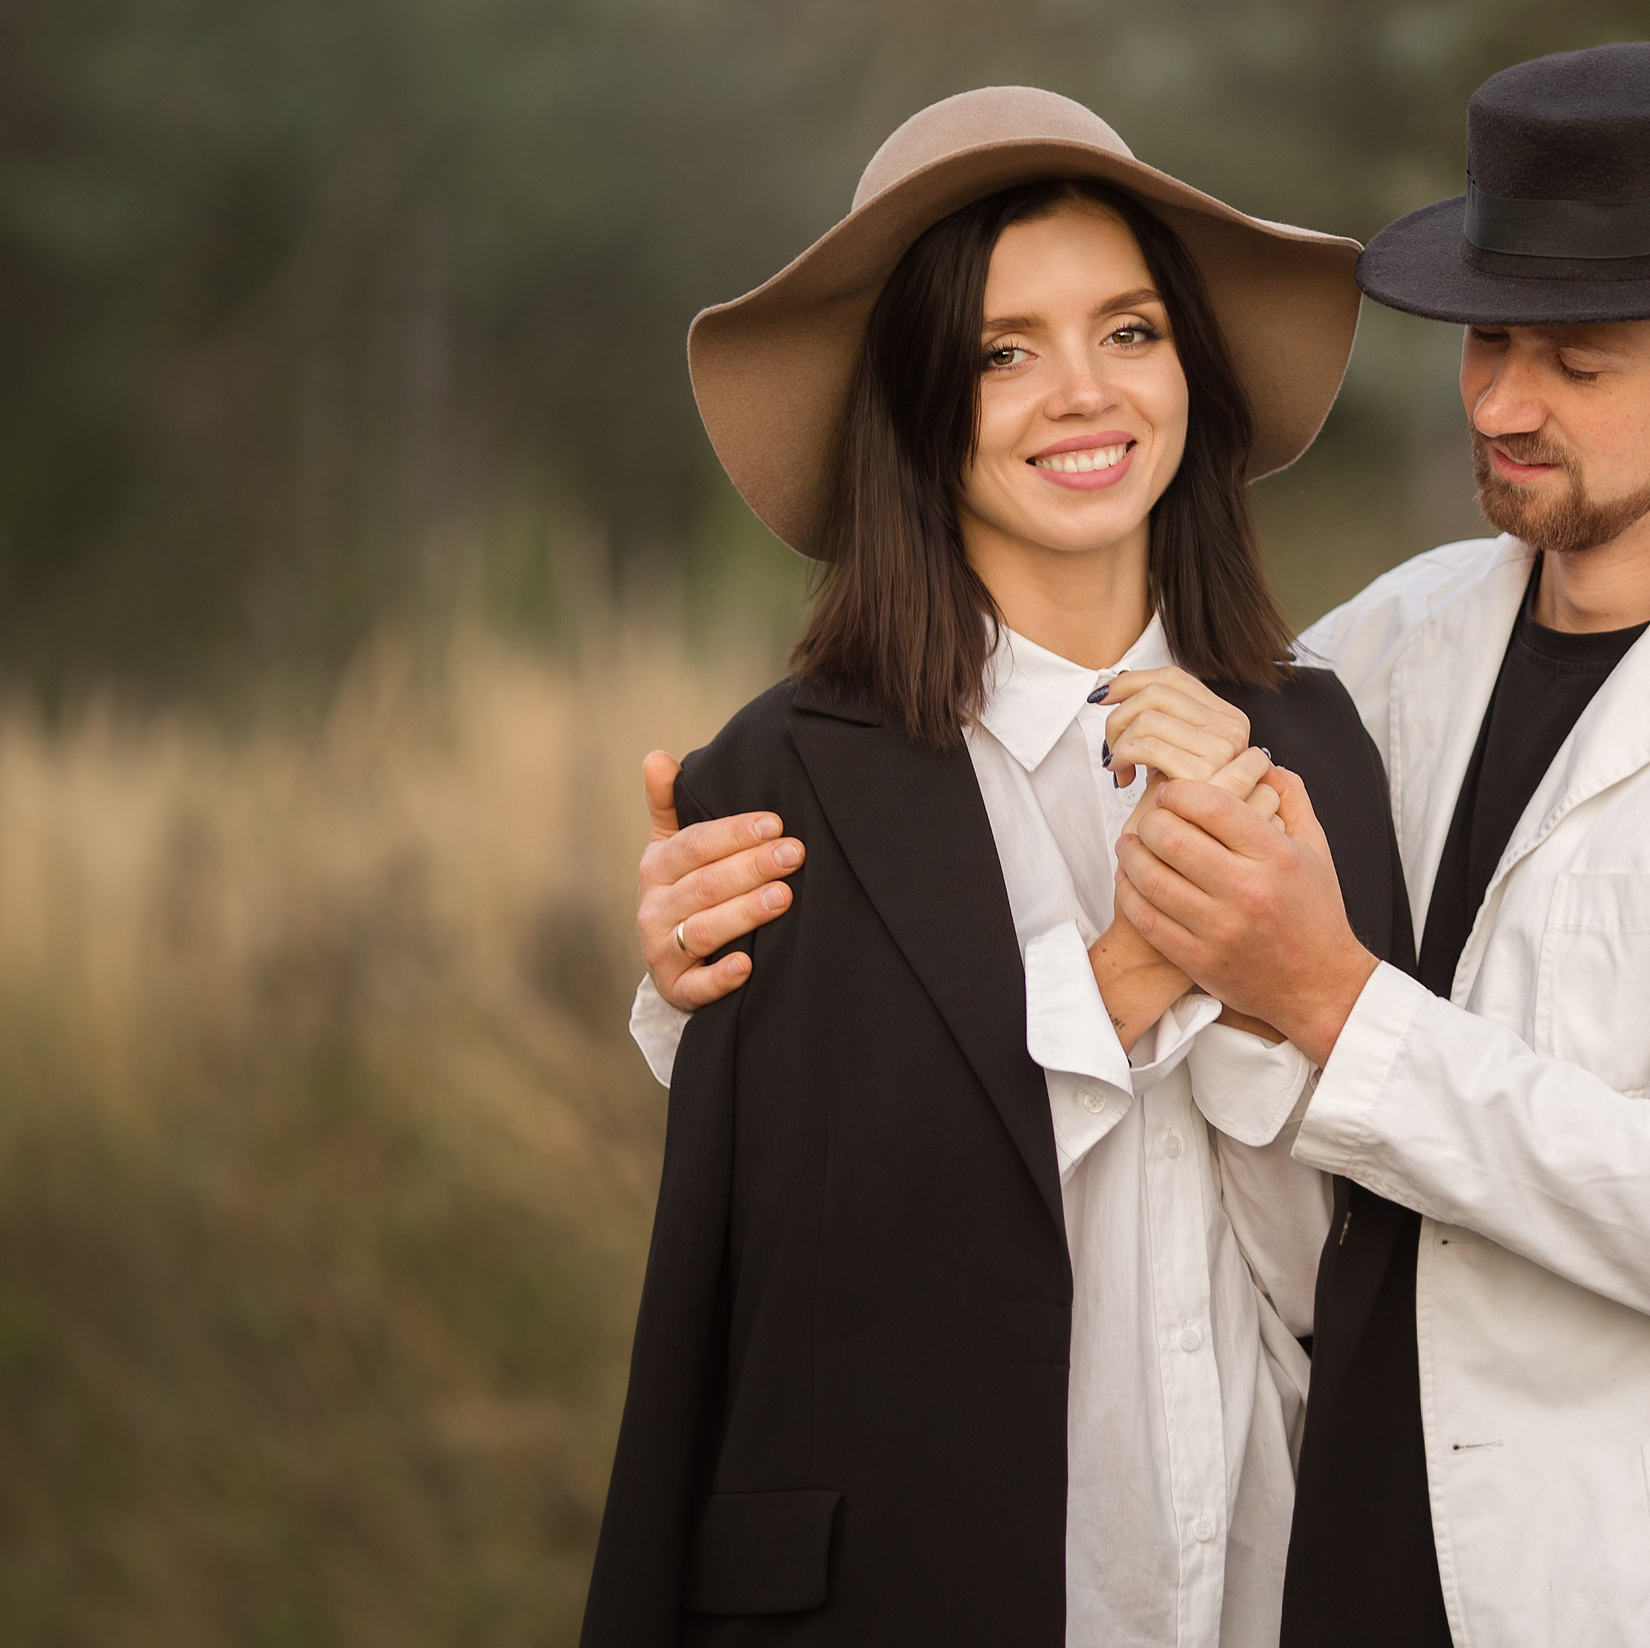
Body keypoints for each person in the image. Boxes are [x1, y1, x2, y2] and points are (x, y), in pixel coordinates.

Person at [651, 41, 1650, 1647]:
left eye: (1580, 362)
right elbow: (862, 1083)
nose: (1502, 400)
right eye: (1489, 338)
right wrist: (691, 982)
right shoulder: (1378, 661)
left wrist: (1317, 992)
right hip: (1353, 1552)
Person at [583, 88, 1413, 1648]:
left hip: (1264, 1570)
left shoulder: (1310, 745)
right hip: (919, 1581)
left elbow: (1362, 1280)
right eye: (1001, 350)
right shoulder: (780, 777)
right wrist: (1143, 961)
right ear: (916, 401)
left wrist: (1261, 974)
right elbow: (824, 1256)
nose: (1081, 397)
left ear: (1192, 371)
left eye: (1130, 331)